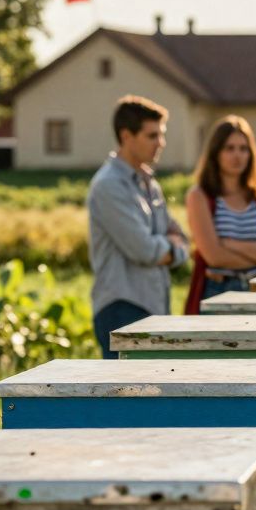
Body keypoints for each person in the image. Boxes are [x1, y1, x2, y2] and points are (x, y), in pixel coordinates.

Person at [86, 95, 189, 359]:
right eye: (152, 135)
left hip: (154, 308)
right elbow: (144, 250)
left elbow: (181, 237)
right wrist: (173, 249)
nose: (161, 143)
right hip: (122, 309)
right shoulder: (109, 185)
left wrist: (172, 248)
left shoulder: (149, 184)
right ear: (126, 136)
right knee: (126, 399)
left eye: (161, 135)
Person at [183, 115, 256, 313]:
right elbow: (214, 257)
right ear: (216, 153)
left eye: (243, 148)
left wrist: (231, 244)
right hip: (217, 289)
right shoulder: (200, 196)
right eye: (229, 148)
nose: (237, 155)